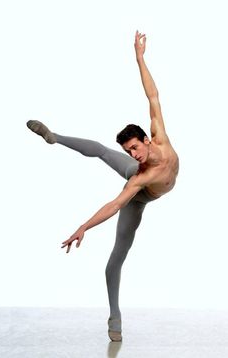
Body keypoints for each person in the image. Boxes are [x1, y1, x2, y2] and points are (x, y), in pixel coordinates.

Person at [26, 30, 179, 342]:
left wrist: (140, 58)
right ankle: (115, 315)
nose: (135, 154)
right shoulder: (140, 175)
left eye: (136, 147)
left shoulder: (159, 134)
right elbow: (115, 205)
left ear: (148, 139)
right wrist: (83, 226)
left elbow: (152, 96)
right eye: (130, 152)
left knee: (105, 153)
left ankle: (57, 138)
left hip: (146, 183)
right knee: (116, 259)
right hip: (139, 197)